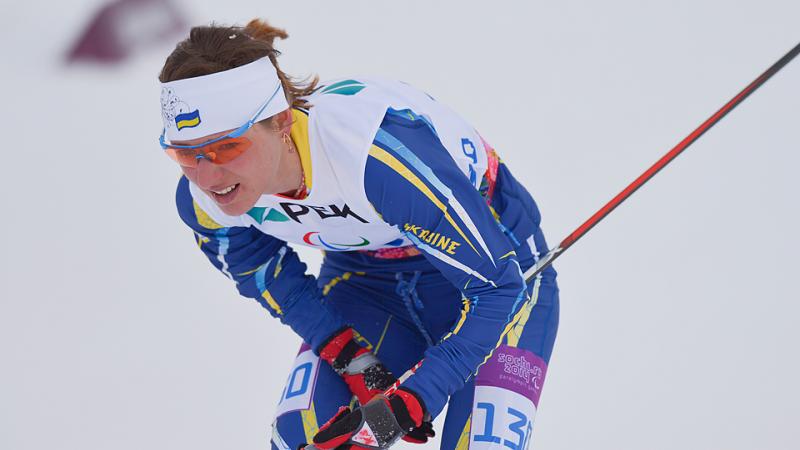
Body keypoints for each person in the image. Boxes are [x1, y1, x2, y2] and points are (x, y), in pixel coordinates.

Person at [158, 19, 559, 450]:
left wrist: (418, 396)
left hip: (502, 275)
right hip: (369, 283)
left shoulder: (373, 155)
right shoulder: (203, 202)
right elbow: (272, 279)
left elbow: (498, 287)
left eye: (226, 148)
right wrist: (351, 359)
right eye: (184, 152)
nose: (207, 175)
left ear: (277, 120)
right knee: (300, 441)